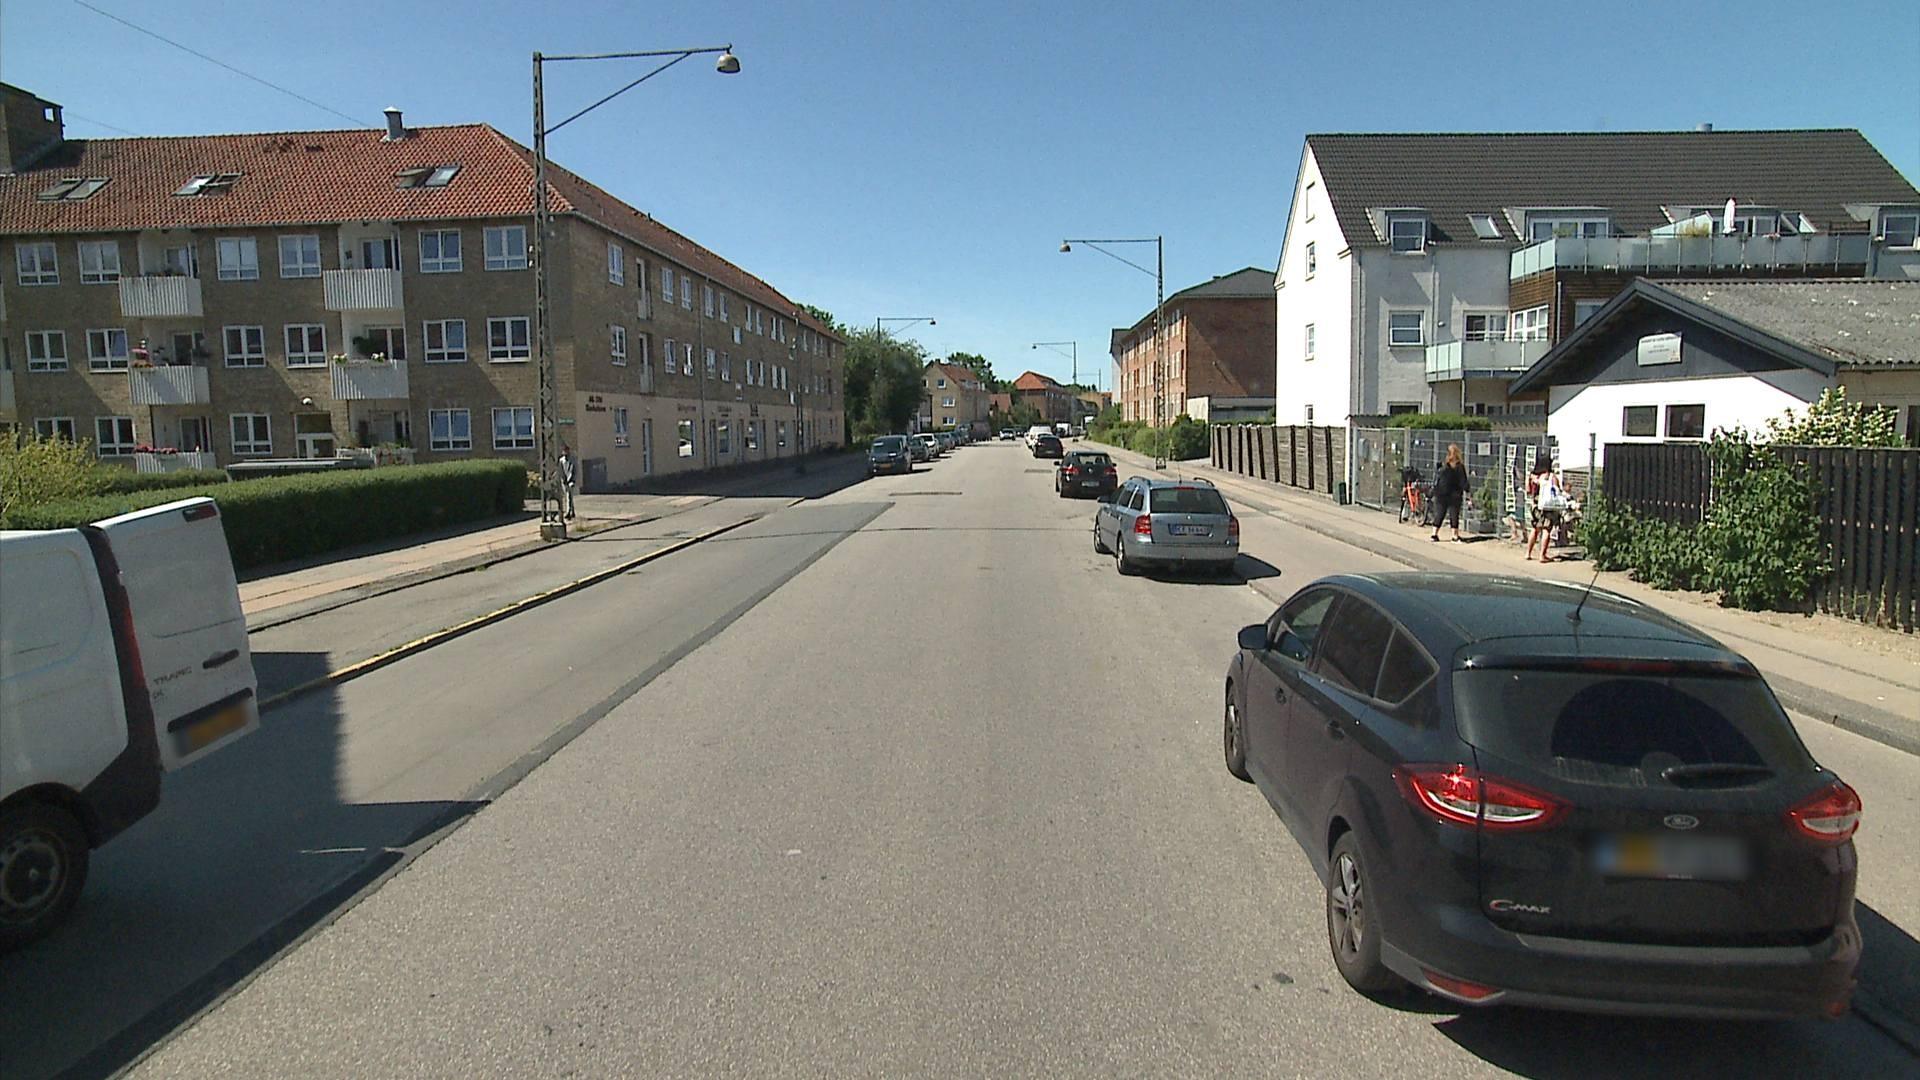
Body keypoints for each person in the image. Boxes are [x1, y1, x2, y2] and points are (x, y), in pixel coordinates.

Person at [1528, 456, 1567, 563]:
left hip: (1535, 505)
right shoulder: (1550, 476)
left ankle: (1528, 553)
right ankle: (1542, 555)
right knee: (1546, 529)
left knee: (1535, 528)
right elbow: (1557, 490)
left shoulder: (1532, 476)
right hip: (1547, 506)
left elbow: (1528, 490)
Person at [1429, 444, 1468, 542]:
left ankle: (1434, 534)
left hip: (1441, 493)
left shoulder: (1443, 466)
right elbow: (1463, 481)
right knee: (1454, 514)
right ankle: (1455, 536)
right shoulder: (1459, 467)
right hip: (1454, 494)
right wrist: (1467, 491)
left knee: (1440, 513)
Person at [558, 443, 578, 520]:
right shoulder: (561, 460)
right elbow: (560, 471)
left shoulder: (573, 460)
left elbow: (575, 470)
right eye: (564, 451)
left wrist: (573, 480)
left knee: (569, 495)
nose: (565, 452)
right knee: (568, 496)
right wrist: (563, 479)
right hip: (564, 480)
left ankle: (568, 512)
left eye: (566, 451)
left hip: (571, 480)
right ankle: (572, 512)